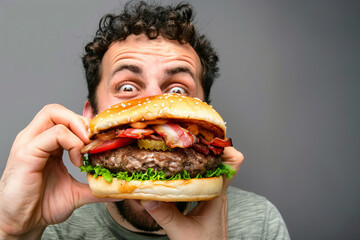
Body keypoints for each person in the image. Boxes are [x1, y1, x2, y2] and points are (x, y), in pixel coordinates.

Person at [0, 1, 290, 239]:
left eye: (177, 90)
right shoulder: (49, 226)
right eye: (127, 87)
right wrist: (11, 232)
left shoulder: (260, 224)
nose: (154, 106)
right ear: (89, 117)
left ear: (206, 118)